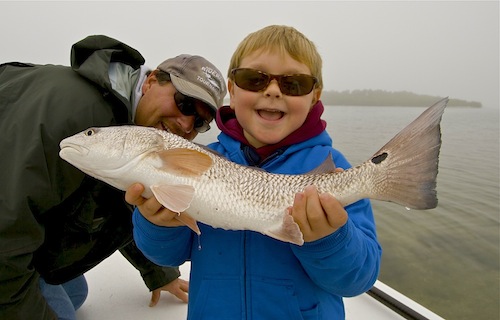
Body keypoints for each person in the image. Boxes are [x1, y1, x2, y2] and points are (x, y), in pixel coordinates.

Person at [128, 25, 382, 319]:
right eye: (254, 79)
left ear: (315, 96)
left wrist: (328, 240)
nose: (272, 91)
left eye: (294, 84)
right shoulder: (197, 159)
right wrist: (158, 224)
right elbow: (168, 255)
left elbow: (359, 279)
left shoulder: (333, 168)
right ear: (232, 92)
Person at [0, 35, 227, 320]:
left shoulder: (133, 131)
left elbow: (116, 205)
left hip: (22, 239)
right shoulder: (75, 114)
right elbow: (6, 229)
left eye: (200, 122)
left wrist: (158, 273)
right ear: (151, 81)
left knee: (74, 291)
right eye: (184, 103)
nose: (185, 123)